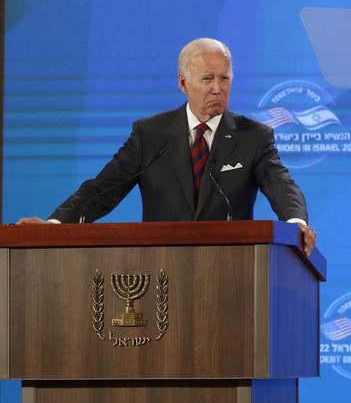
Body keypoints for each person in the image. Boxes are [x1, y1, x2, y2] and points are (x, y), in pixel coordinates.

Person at [16, 38, 317, 254]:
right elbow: (103, 189)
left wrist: (296, 222)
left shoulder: (253, 136)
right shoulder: (151, 134)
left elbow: (280, 184)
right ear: (183, 83)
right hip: (161, 267)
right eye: (207, 78)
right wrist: (55, 224)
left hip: (231, 266)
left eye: (224, 78)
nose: (217, 88)